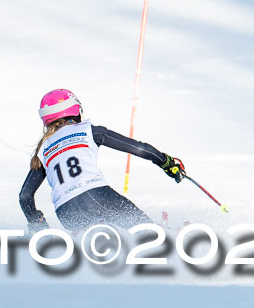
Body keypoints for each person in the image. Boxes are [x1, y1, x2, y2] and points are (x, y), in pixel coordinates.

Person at [19, 89, 186, 233]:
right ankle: (161, 239)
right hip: (96, 195)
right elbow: (138, 148)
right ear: (76, 110)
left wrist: (37, 224)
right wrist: (166, 162)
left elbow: (25, 196)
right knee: (143, 229)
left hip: (66, 214)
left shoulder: (43, 150)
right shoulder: (89, 131)